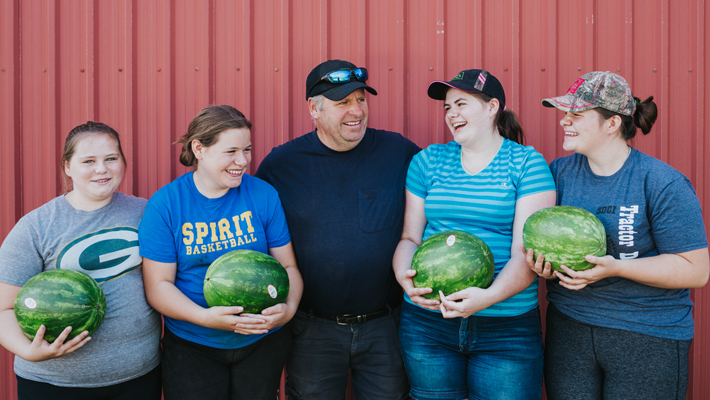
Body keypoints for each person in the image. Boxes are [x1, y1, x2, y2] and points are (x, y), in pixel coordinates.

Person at [529, 71, 709, 400]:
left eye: (576, 114)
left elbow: (695, 269)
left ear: (612, 124)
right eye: (564, 113)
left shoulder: (661, 182)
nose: (564, 121)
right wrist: (544, 267)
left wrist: (617, 266)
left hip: (646, 333)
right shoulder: (558, 173)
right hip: (570, 327)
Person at [255, 59, 420, 400]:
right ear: (314, 109)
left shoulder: (397, 151)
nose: (356, 110)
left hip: (385, 325)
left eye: (360, 99)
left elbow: (442, 194)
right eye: (342, 102)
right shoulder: (281, 165)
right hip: (313, 328)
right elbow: (255, 231)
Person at [392, 69, 557, 400]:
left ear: (492, 106)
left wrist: (487, 298)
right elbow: (410, 238)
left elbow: (525, 253)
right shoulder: (428, 161)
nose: (452, 114)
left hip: (505, 328)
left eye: (461, 104)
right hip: (428, 324)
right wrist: (404, 277)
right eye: (447, 107)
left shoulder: (526, 164)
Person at [139, 105, 303, 400]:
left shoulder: (263, 194)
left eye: (247, 150)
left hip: (260, 342)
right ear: (199, 149)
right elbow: (158, 287)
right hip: (193, 345)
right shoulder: (166, 204)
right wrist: (204, 317)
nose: (242, 161)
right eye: (231, 152)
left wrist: (288, 311)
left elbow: (289, 267)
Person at [0, 121, 161, 399]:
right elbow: (3, 308)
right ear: (67, 167)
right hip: (54, 384)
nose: (102, 169)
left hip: (139, 377)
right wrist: (29, 351)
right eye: (89, 161)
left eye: (111, 158)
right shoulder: (36, 226)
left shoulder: (146, 212)